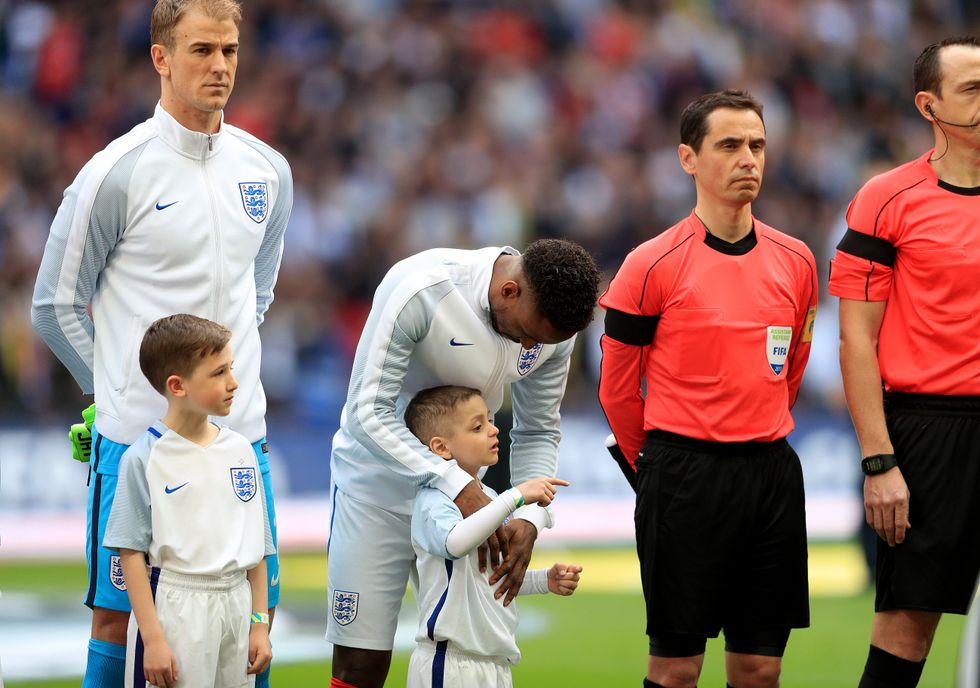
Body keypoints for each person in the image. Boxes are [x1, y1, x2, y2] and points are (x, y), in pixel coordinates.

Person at [29, 2, 291, 686]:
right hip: (136, 441)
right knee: (117, 623)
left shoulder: (268, 172)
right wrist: (114, 392)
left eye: (229, 50)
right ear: (161, 58)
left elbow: (256, 298)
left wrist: (220, 390)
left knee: (255, 619)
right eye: (201, 50)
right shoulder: (114, 173)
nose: (220, 66)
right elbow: (54, 305)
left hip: (241, 437)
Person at [598, 89, 818, 688]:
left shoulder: (797, 260)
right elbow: (617, 390)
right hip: (683, 476)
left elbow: (791, 369)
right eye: (729, 145)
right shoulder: (650, 264)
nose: (748, 158)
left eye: (757, 145)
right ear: (688, 159)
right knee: (676, 670)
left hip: (771, 475)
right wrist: (656, 466)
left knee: (760, 669)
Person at [326, 238, 599, 688]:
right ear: (509, 290)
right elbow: (366, 411)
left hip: (462, 510)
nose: (529, 347)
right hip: (377, 493)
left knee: (467, 651)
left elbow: (538, 429)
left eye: (541, 343)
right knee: (360, 666)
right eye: (527, 334)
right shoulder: (421, 288)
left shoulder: (553, 330)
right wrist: (456, 483)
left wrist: (530, 518)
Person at [828, 36, 980, 688]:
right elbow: (856, 340)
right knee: (906, 632)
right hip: (930, 430)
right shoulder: (887, 198)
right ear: (929, 105)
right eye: (972, 89)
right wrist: (879, 462)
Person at [103, 314, 275, 688]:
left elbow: (259, 550)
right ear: (177, 386)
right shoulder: (144, 458)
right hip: (176, 610)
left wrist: (259, 624)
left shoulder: (241, 450)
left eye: (231, 368)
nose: (233, 382)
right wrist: (153, 639)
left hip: (237, 605)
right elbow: (130, 555)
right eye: (218, 373)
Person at [403, 385, 582, 687]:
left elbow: (487, 577)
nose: (493, 429)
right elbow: (455, 543)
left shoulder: (489, 497)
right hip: (449, 662)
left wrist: (544, 581)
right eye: (477, 426)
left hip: (495, 663)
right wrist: (515, 497)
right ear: (441, 447)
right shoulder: (432, 500)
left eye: (489, 419)